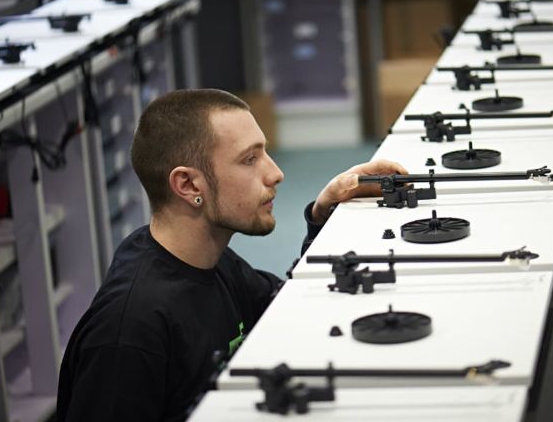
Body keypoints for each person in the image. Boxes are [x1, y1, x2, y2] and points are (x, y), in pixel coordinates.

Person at [55, 89, 406, 422]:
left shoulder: (209, 260)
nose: (276, 173)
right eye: (249, 159)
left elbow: (289, 311)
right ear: (189, 185)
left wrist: (321, 215)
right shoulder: (129, 333)